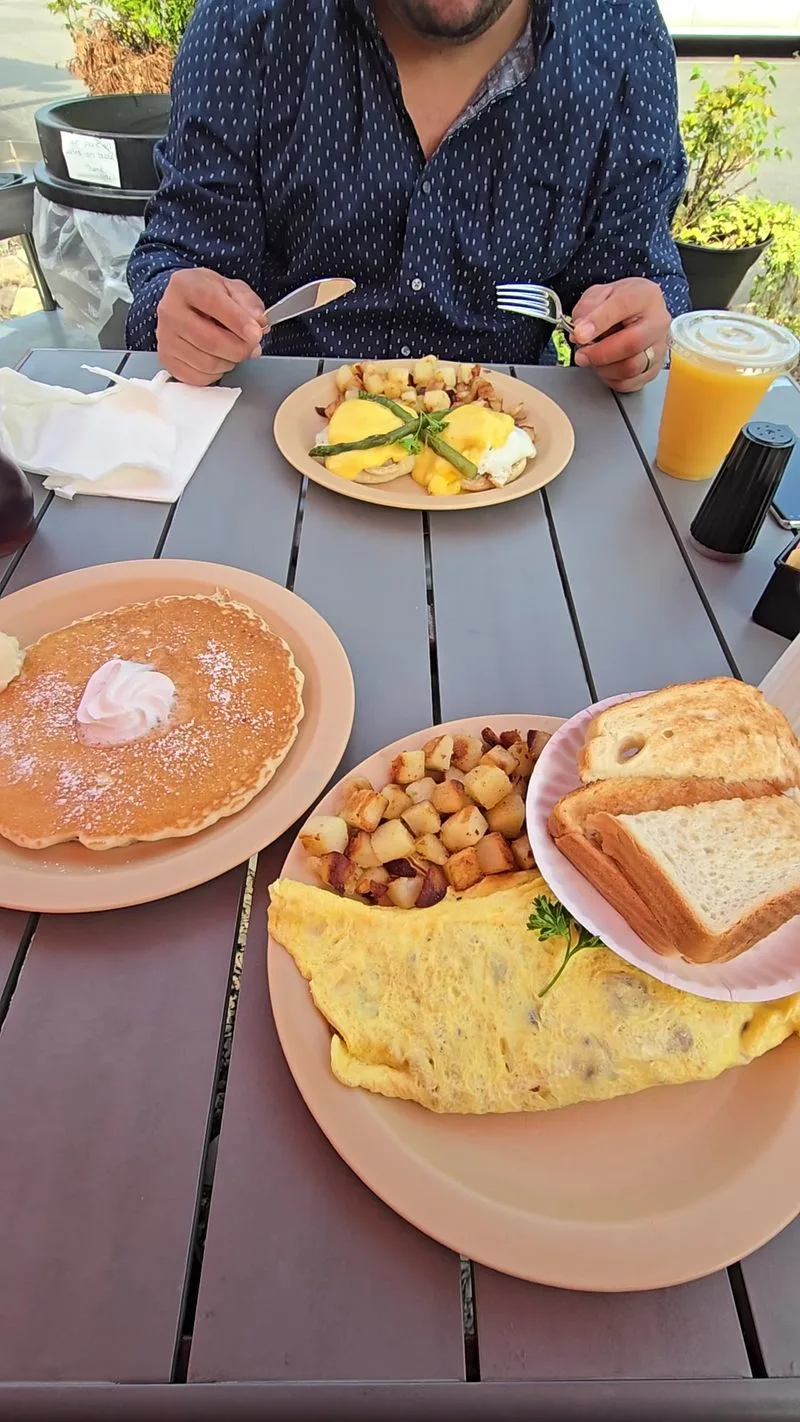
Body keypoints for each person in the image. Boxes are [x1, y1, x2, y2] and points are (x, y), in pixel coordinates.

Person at [126, 0, 690, 393]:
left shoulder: (622, 35)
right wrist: (179, 319)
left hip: (510, 452)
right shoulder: (246, 21)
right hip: (281, 442)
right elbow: (177, 267)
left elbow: (640, 283)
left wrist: (637, 338)